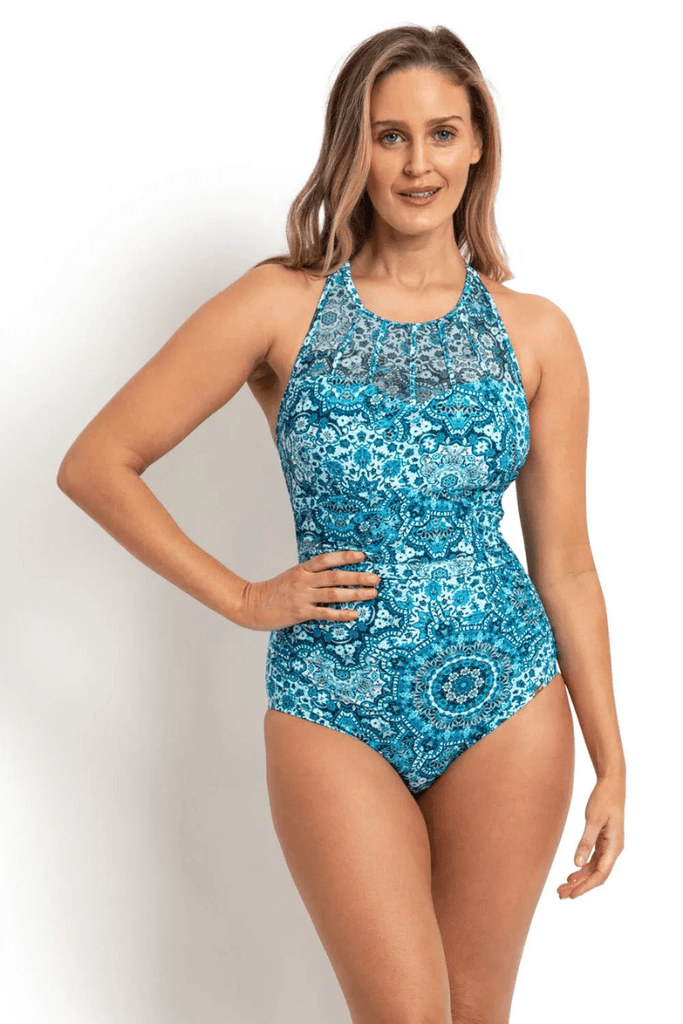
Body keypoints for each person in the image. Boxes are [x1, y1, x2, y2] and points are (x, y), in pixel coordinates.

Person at [57, 23, 626, 1024]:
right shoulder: (279, 304)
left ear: (477, 143)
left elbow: (566, 564)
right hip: (331, 698)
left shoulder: (536, 332)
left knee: (475, 1013)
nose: (417, 164)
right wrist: (243, 597)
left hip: (506, 697)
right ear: (350, 148)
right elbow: (97, 463)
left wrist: (610, 759)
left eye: (440, 132)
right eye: (388, 135)